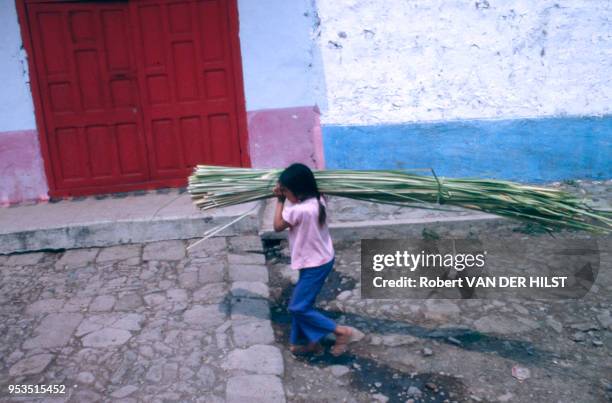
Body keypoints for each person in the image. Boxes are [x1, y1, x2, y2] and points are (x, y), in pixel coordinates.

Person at [273, 163, 364, 356]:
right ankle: (308, 342)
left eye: (286, 191)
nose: (285, 195)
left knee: (297, 307)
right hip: (321, 258)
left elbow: (277, 225)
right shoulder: (319, 199)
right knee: (303, 304)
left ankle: (341, 332)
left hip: (314, 264)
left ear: (296, 190)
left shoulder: (298, 210)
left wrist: (279, 201)